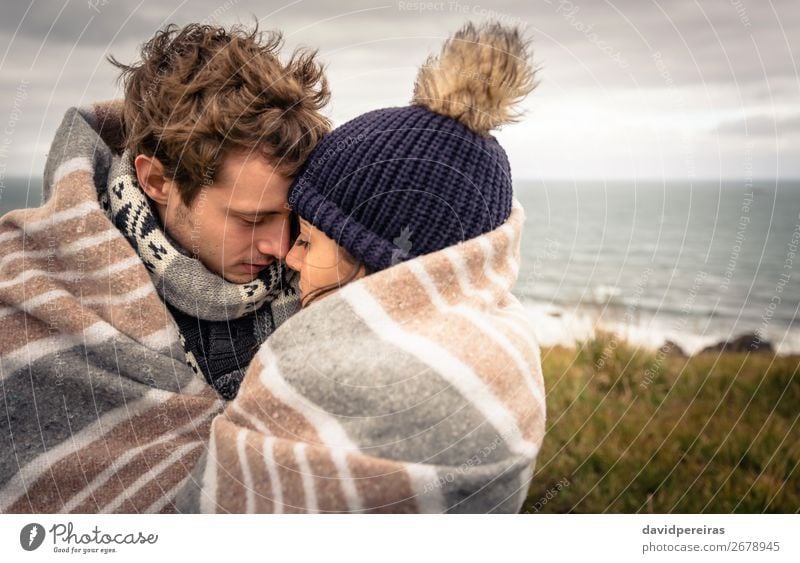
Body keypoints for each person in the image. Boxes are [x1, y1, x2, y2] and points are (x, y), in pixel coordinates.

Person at [176, 21, 547, 513]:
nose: (289, 257)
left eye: (308, 240)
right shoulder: (499, 352)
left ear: (384, 267)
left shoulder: (340, 381)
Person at [0, 22, 328, 513]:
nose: (282, 247)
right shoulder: (28, 286)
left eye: (293, 217)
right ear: (156, 180)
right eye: (252, 219)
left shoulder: (327, 273)